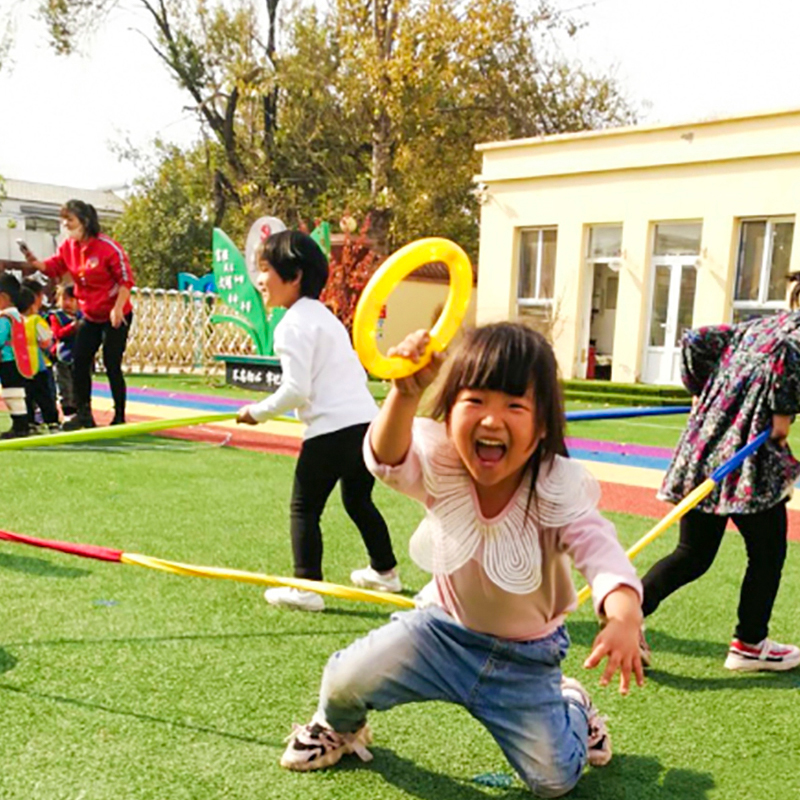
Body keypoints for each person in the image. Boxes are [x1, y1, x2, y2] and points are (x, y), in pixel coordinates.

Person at [278, 322, 644, 796]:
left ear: (541, 427)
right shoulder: (444, 464)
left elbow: (604, 555)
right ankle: (340, 728)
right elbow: (386, 460)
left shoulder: (555, 489)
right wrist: (404, 393)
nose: (491, 419)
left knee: (553, 780)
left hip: (525, 659)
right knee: (342, 681)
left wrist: (624, 616)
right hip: (440, 632)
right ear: (449, 413)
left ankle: (573, 705)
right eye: (475, 400)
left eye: (514, 406)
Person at [641, 274, 800, 672]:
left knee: (692, 555)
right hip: (748, 459)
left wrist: (701, 392)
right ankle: (750, 643)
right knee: (767, 553)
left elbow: (696, 339)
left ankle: (627, 611)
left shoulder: (758, 327)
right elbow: (788, 356)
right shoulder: (792, 335)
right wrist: (782, 416)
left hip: (706, 446)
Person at [237, 230, 401, 611]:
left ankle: (306, 587)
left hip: (331, 430)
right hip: (365, 426)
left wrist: (256, 412)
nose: (260, 279)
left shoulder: (291, 324)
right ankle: (385, 571)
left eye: (266, 269)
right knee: (357, 499)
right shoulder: (325, 317)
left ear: (294, 276)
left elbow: (297, 389)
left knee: (304, 508)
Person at [22, 199, 135, 429]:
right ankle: (84, 414)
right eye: (64, 220)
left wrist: (117, 308)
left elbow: (126, 280)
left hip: (116, 314)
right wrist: (36, 263)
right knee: (80, 361)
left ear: (85, 221)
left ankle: (119, 415)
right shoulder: (68, 247)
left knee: (111, 363)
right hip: (90, 314)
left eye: (70, 220)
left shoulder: (108, 247)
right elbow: (55, 267)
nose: (66, 225)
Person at [17, 285, 59, 432]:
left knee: (26, 397)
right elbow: (46, 340)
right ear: (32, 305)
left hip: (19, 366)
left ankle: (29, 423)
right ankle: (52, 422)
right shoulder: (36, 320)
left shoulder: (13, 321)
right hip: (37, 365)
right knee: (44, 395)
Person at [0, 273, 29, 438]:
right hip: (18, 361)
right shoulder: (18, 316)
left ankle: (20, 426)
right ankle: (22, 424)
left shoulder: (5, 318)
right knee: (17, 394)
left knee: (12, 394)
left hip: (8, 361)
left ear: (3, 297)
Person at [48, 285, 81, 418]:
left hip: (79, 356)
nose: (68, 303)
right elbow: (57, 333)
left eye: (72, 300)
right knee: (65, 385)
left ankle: (81, 410)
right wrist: (72, 327)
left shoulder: (82, 316)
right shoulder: (57, 317)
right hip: (63, 356)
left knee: (79, 384)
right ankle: (68, 411)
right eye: (64, 299)